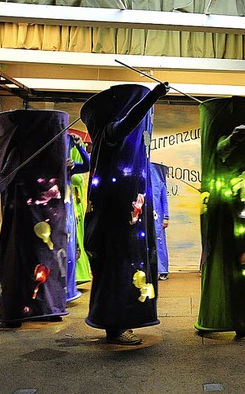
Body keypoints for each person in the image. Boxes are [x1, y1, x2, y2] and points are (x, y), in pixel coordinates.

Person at [80, 82, 169, 345]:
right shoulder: (110, 133)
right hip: (116, 213)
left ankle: (119, 321)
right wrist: (152, 97)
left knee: (125, 265)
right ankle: (115, 326)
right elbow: (128, 122)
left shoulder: (104, 142)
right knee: (118, 266)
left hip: (121, 211)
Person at [0, 109, 70, 328]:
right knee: (24, 263)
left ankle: (47, 308)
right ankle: (20, 309)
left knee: (46, 263)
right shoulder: (24, 151)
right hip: (26, 219)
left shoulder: (55, 155)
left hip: (49, 219)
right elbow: (5, 175)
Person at [194, 96, 245, 337]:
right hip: (229, 209)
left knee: (241, 260)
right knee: (241, 260)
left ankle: (243, 317)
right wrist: (234, 138)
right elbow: (220, 148)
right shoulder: (226, 147)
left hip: (239, 208)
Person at [64, 133, 90, 301]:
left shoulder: (72, 167)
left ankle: (73, 279)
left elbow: (87, 164)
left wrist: (80, 146)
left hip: (74, 208)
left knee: (76, 244)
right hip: (62, 208)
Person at [150, 162, 170, 281]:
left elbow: (164, 199)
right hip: (146, 213)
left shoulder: (160, 180)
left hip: (158, 215)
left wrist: (166, 217)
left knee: (159, 241)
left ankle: (162, 269)